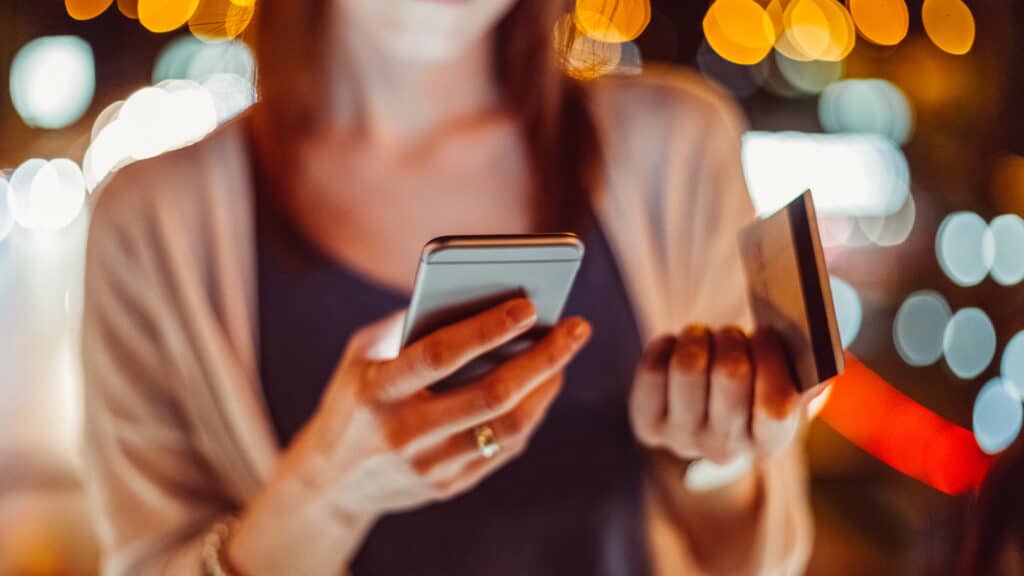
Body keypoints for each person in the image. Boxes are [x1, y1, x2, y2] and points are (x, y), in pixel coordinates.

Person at [82, 1, 820, 574]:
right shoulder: (152, 225)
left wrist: (717, 454)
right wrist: (326, 494)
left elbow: (758, 555)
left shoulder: (679, 148)